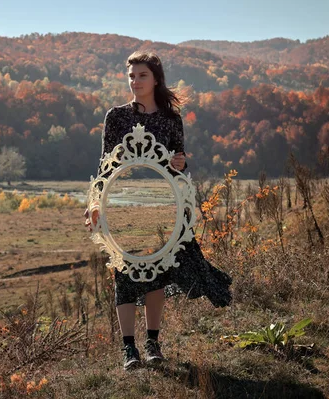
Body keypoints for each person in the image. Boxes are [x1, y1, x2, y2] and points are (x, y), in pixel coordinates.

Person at [83, 50, 232, 371]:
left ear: (156, 78)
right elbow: (105, 164)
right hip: (122, 205)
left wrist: (181, 161)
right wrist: (94, 202)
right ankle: (128, 349)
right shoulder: (116, 116)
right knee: (124, 274)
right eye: (131, 76)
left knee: (158, 274)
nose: (135, 81)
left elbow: (178, 161)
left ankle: (152, 342)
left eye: (142, 75)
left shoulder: (170, 119)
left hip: (166, 205)